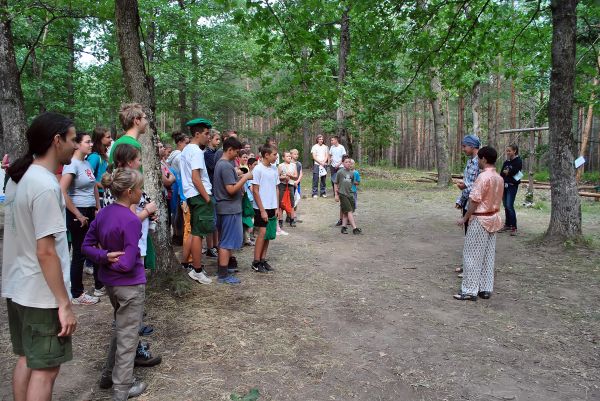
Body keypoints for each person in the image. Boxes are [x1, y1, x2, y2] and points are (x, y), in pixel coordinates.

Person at [2, 112, 78, 401]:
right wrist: (63, 304)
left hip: (18, 286)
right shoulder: (46, 187)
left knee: (26, 358)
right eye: (72, 139)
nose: (74, 146)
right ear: (56, 141)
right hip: (41, 294)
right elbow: (46, 251)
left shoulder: (19, 179)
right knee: (45, 370)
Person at [82, 168, 150, 400]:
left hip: (110, 284)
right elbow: (128, 262)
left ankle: (108, 375)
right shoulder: (132, 220)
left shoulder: (102, 214)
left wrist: (103, 258)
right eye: (140, 188)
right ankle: (122, 388)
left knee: (120, 328)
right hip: (130, 285)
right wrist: (112, 262)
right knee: (128, 337)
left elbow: (86, 246)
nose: (141, 193)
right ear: (130, 192)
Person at [454, 147, 504, 301]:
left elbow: (474, 200)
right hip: (493, 218)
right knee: (488, 256)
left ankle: (469, 290)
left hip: (480, 219)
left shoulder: (483, 178)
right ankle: (485, 288)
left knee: (472, 255)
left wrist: (465, 218)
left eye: (479, 160)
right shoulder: (499, 178)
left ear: (483, 159)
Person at [60, 131, 103, 304]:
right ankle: (77, 293)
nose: (91, 144)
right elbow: (62, 190)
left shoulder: (86, 163)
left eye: (91, 142)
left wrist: (98, 207)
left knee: (96, 246)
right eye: (87, 142)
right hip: (78, 212)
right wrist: (78, 214)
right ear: (77, 145)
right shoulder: (72, 164)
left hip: (91, 210)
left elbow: (93, 186)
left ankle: (100, 286)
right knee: (80, 252)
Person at [213, 137, 253, 284]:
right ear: (229, 150)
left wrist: (238, 176)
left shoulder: (222, 164)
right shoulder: (225, 165)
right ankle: (223, 275)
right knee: (226, 242)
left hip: (225, 208)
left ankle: (223, 269)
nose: (237, 155)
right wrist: (246, 177)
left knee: (225, 240)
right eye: (236, 152)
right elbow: (230, 189)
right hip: (229, 209)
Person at [181, 118, 215, 284]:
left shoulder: (186, 150)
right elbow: (196, 178)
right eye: (206, 134)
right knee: (198, 234)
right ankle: (197, 270)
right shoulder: (195, 151)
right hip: (199, 196)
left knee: (194, 232)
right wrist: (207, 198)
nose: (208, 137)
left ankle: (187, 265)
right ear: (197, 134)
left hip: (191, 196)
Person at [455, 134, 481, 275]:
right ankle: (467, 265)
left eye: (465, 146)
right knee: (468, 236)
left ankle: (471, 269)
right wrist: (461, 200)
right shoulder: (470, 161)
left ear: (472, 146)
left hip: (474, 204)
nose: (463, 149)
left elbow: (480, 186)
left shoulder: (480, 162)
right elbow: (468, 182)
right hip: (467, 202)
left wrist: (465, 187)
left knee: (473, 238)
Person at [251, 145, 280, 273]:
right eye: (274, 154)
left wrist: (277, 207)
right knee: (262, 234)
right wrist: (262, 210)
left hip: (272, 206)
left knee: (268, 234)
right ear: (266, 155)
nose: (276, 156)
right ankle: (256, 262)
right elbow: (255, 191)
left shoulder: (274, 169)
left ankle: (263, 259)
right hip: (260, 207)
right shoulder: (258, 169)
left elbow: (276, 188)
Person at [334, 155, 362, 235]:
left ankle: (343, 227)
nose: (348, 163)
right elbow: (336, 183)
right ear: (342, 163)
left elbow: (353, 183)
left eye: (349, 162)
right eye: (346, 162)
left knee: (346, 212)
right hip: (342, 194)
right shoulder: (340, 172)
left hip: (350, 194)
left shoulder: (352, 173)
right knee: (349, 211)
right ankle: (355, 228)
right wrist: (336, 194)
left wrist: (356, 184)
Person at [500, 144, 522, 236]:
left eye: (509, 151)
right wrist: (506, 173)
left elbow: (515, 171)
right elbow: (502, 173)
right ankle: (507, 224)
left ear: (515, 151)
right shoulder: (506, 162)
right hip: (504, 185)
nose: (508, 152)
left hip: (512, 186)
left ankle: (514, 226)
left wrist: (508, 172)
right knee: (505, 205)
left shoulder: (518, 161)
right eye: (507, 151)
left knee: (509, 205)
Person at [87, 126, 112, 205]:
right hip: (98, 197)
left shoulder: (103, 156)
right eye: (108, 137)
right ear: (100, 139)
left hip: (105, 195)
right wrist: (101, 185)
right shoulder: (94, 157)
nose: (111, 139)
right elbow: (87, 177)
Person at [278, 151, 297, 228]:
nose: (289, 157)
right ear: (283, 158)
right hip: (282, 186)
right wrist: (283, 177)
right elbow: (277, 177)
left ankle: (292, 219)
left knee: (291, 203)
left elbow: (296, 176)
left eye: (290, 156)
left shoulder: (293, 165)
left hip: (291, 186)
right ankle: (280, 221)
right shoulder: (280, 166)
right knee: (281, 203)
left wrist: (290, 176)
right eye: (287, 156)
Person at [242, 157, 258, 246]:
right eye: (255, 165)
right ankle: (247, 238)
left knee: (251, 219)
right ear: (249, 165)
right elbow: (251, 188)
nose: (256, 166)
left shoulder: (254, 175)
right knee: (249, 219)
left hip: (252, 199)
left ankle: (249, 236)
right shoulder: (249, 175)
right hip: (249, 199)